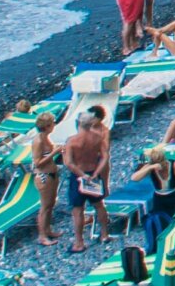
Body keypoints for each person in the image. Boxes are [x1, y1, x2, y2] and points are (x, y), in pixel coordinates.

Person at [64, 104, 112, 251]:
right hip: (93, 173)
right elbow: (105, 156)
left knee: (78, 210)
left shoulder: (72, 141)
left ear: (79, 123)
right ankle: (104, 234)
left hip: (79, 176)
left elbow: (69, 163)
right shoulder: (97, 138)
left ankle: (79, 242)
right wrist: (97, 172)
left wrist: (82, 175)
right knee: (99, 205)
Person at [136, 143, 175, 254]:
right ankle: (157, 246)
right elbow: (135, 178)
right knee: (156, 221)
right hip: (160, 199)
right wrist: (150, 167)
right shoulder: (150, 168)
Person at [29, 110, 62, 247]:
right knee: (45, 207)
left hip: (51, 173)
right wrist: (54, 152)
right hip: (44, 175)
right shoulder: (38, 141)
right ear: (47, 125)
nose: (54, 125)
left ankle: (47, 230)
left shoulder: (45, 137)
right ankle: (42, 235)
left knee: (50, 204)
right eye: (52, 123)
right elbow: (37, 162)